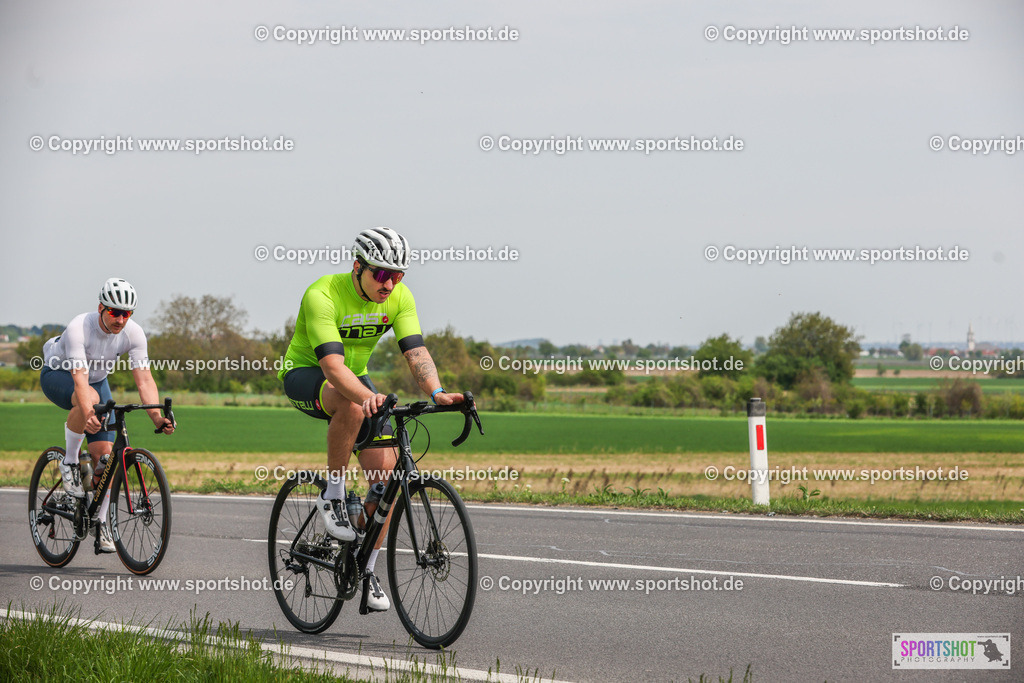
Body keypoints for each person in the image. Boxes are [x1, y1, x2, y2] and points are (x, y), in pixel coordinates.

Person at [279, 227, 463, 613]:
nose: (389, 284)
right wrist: (367, 398)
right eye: (381, 274)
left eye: (398, 275)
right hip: (307, 374)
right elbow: (332, 367)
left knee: (387, 482)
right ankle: (332, 493)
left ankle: (366, 570)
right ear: (357, 267)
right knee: (350, 405)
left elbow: (416, 352)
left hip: (355, 379)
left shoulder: (399, 297)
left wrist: (437, 392)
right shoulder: (322, 294)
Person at [40, 278, 175, 553]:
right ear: (101, 307)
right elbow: (80, 380)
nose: (121, 319)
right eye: (115, 312)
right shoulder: (79, 327)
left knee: (106, 458)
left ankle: (100, 524)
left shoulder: (134, 333)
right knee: (89, 398)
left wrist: (157, 417)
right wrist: (88, 412)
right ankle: (69, 462)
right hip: (59, 374)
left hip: (96, 381)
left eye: (127, 313)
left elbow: (144, 380)